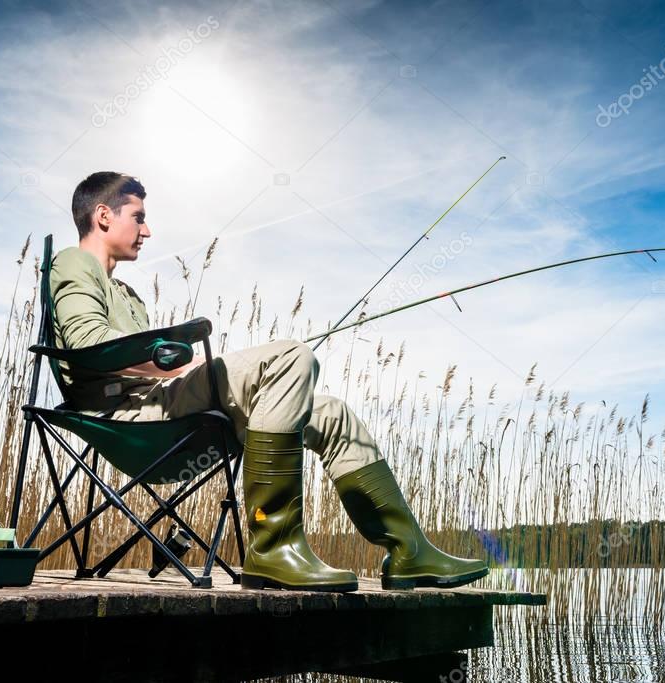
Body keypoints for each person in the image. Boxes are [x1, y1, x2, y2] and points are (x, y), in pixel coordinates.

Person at [49, 171, 487, 592]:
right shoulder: (73, 262)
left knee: (332, 414)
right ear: (104, 216)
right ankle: (273, 547)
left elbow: (144, 358)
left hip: (169, 403)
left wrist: (177, 361)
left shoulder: (128, 295)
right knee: (292, 356)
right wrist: (169, 355)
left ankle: (408, 551)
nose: (147, 231)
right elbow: (90, 343)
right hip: (130, 418)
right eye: (138, 217)